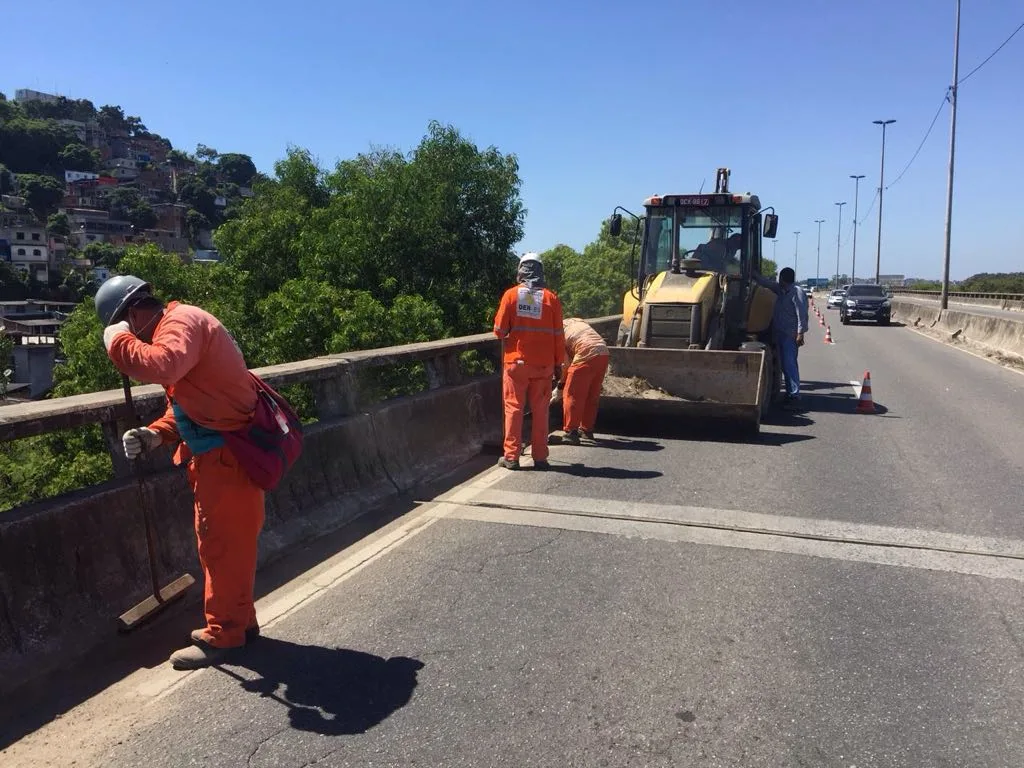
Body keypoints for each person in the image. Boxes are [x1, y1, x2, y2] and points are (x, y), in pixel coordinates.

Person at [95, 275, 264, 670]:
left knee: (221, 547)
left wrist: (117, 342)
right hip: (219, 457)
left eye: (125, 326)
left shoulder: (179, 324)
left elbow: (163, 366)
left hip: (227, 458)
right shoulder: (182, 325)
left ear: (133, 315)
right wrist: (155, 434)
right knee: (225, 547)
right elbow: (190, 403)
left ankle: (224, 633)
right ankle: (241, 623)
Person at [492, 253, 565, 470]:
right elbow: (559, 336)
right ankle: (540, 457)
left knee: (513, 408)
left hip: (516, 364)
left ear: (521, 271)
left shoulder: (510, 296)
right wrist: (559, 364)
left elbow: (499, 331)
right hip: (543, 367)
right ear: (541, 272)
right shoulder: (552, 299)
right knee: (541, 410)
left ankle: (512, 457)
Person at [754, 266, 809, 407]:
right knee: (784, 365)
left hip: (790, 334)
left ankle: (794, 395)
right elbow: (766, 283)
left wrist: (800, 333)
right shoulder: (781, 290)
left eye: (780, 278)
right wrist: (753, 274)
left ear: (783, 279)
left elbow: (801, 314)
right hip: (779, 333)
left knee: (789, 364)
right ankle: (791, 392)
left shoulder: (797, 292)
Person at [553, 317, 609, 444]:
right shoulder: (577, 321)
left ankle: (571, 432)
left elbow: (565, 365)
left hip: (585, 353)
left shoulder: (557, 333)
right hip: (603, 353)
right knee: (591, 395)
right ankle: (586, 430)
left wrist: (560, 386)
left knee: (572, 394)